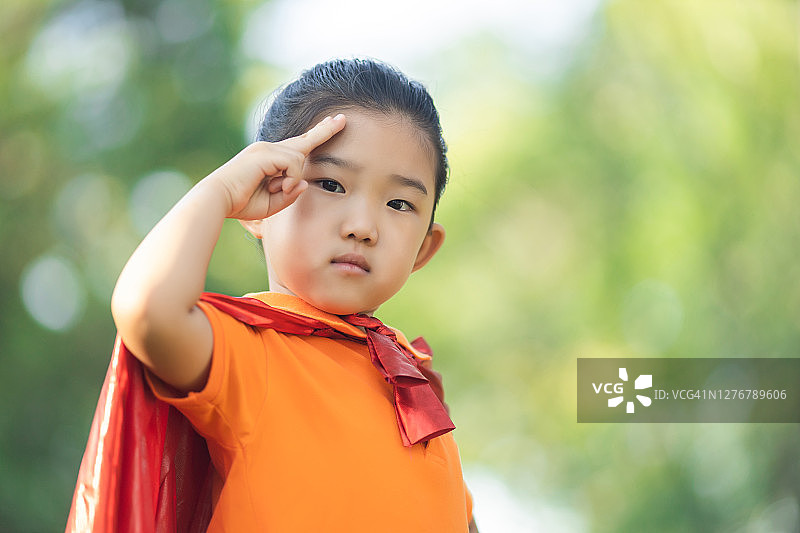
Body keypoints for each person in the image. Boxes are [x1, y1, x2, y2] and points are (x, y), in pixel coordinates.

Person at [70, 58, 477, 532]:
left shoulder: (413, 381)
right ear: (259, 204)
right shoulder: (252, 351)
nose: (363, 227)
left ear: (424, 247)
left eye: (399, 203)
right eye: (330, 184)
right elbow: (149, 313)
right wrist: (220, 190)